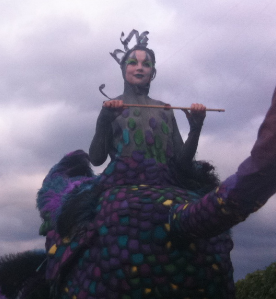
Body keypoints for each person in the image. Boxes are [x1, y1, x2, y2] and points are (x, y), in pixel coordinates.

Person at [88, 30, 206, 187]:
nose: (140, 68)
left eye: (146, 64)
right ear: (123, 69)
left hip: (165, 188)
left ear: (152, 72)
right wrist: (104, 120)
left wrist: (196, 128)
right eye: (133, 63)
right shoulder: (112, 109)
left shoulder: (164, 110)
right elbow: (96, 159)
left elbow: (182, 162)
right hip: (121, 189)